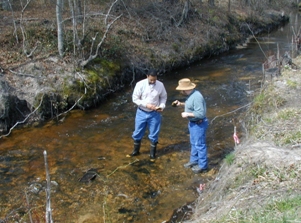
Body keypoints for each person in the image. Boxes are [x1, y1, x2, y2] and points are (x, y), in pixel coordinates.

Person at [127, 69, 167, 161]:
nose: (153, 81)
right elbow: (135, 98)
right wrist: (146, 105)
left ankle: (152, 155)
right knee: (137, 133)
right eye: (151, 80)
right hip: (141, 112)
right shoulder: (140, 84)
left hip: (155, 114)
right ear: (147, 76)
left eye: (154, 80)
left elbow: (163, 97)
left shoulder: (160, 85)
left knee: (154, 134)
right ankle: (136, 151)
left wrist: (161, 106)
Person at [172, 78, 209, 173]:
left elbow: (201, 114)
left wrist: (187, 114)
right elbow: (191, 105)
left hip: (198, 124)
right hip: (193, 124)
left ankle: (203, 166)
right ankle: (194, 161)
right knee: (194, 143)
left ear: (185, 89)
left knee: (199, 145)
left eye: (181, 89)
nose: (180, 91)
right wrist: (181, 104)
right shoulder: (191, 95)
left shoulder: (197, 96)